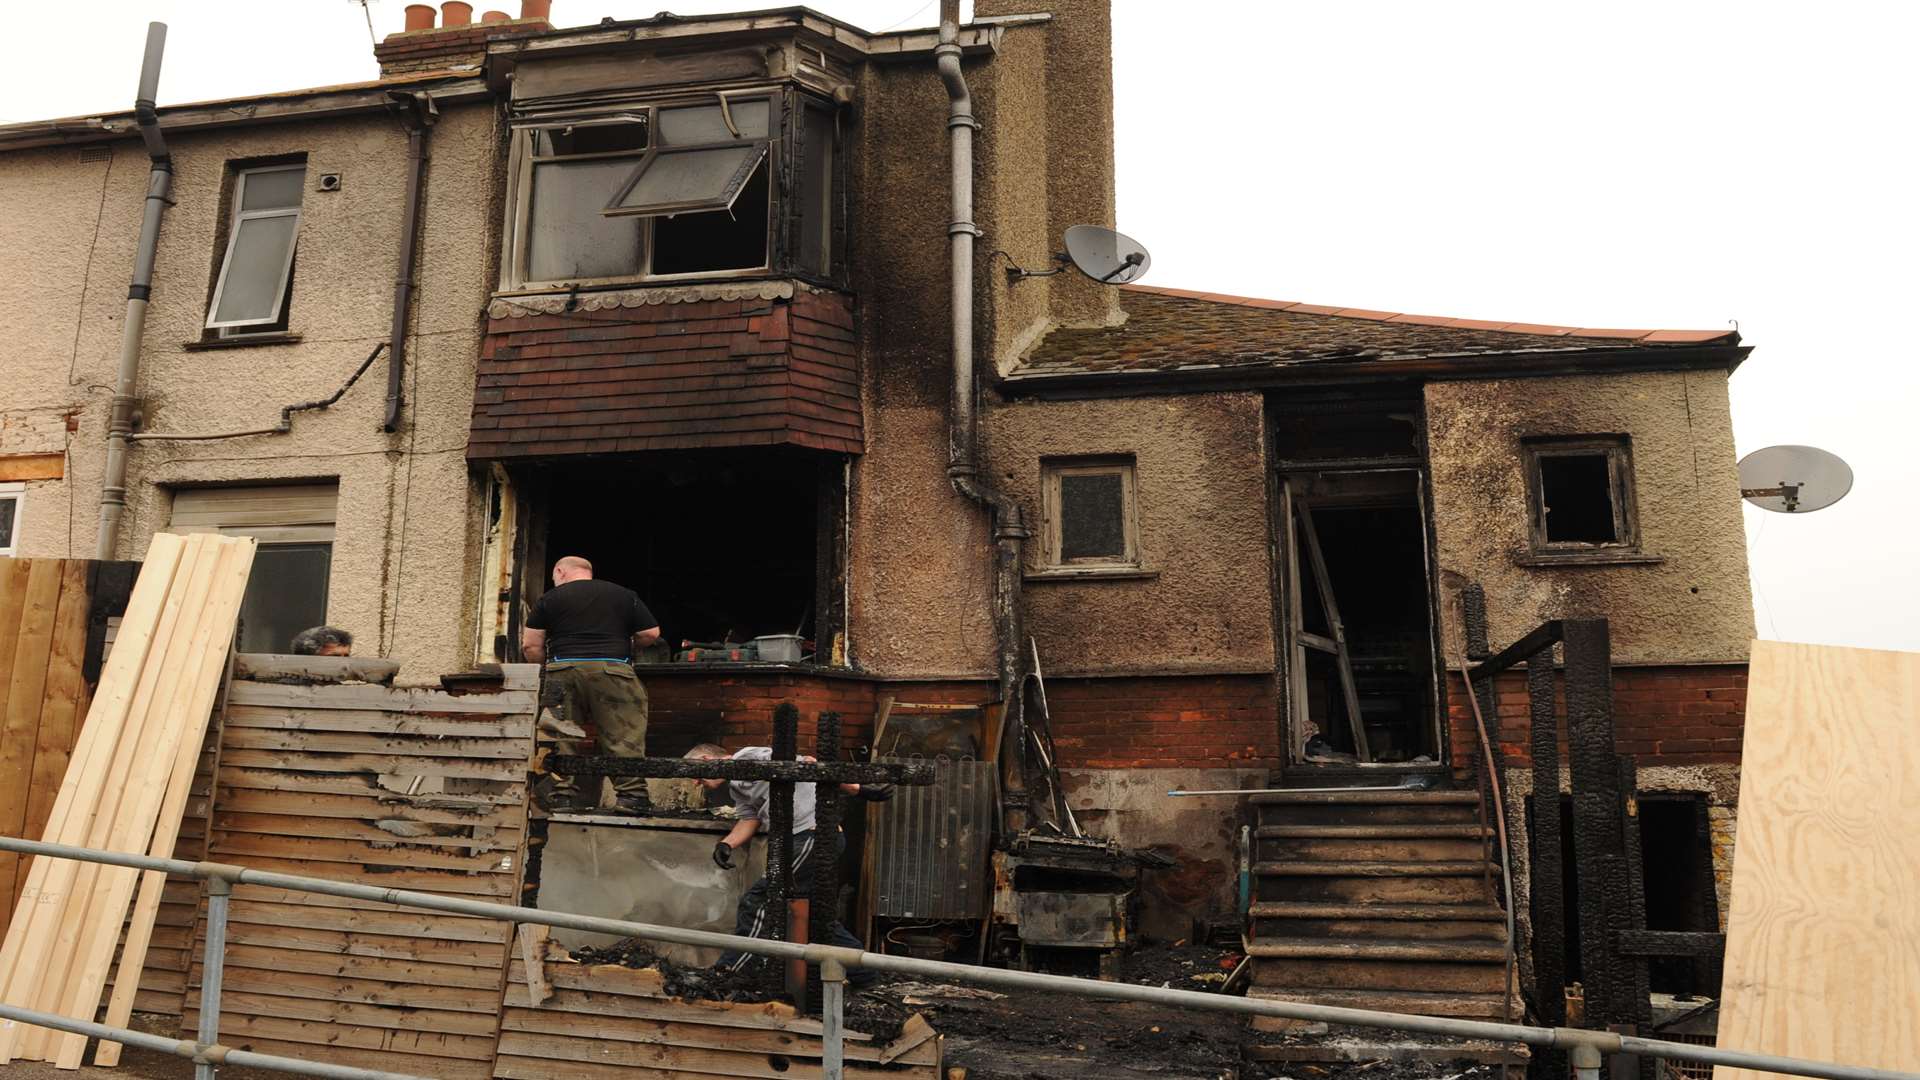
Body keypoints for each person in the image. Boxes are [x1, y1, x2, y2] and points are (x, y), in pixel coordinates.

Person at [684, 743, 892, 980]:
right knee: (814, 916)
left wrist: (859, 789)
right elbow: (750, 819)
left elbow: (809, 765)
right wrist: (726, 844)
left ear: (706, 760)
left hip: (811, 836)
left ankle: (728, 972)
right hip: (800, 841)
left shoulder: (748, 757)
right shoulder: (737, 787)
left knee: (758, 901)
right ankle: (867, 975)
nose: (695, 783)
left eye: (696, 776)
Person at [521, 556, 661, 815]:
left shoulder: (549, 599)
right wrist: (630, 647)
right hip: (613, 667)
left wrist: (549, 669)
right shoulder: (623, 594)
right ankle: (631, 797)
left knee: (560, 735)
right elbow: (651, 633)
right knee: (623, 734)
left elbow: (530, 645)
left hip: (563, 669)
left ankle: (561, 797)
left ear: (561, 571)